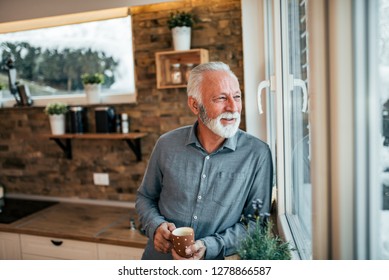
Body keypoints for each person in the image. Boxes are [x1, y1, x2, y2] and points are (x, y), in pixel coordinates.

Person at [135, 61, 273, 260]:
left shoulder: (258, 153)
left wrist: (210, 246)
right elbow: (145, 197)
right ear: (194, 105)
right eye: (221, 98)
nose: (233, 108)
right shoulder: (166, 145)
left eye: (237, 97)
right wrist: (155, 226)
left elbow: (256, 224)